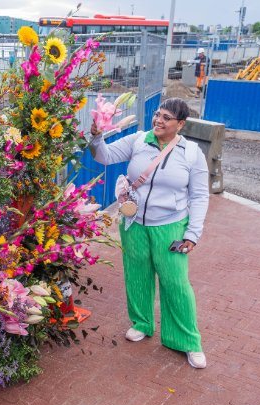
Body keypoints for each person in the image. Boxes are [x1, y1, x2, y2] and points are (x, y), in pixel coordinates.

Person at [89, 98, 210, 368]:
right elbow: (104, 157)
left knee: (176, 283)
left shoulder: (191, 153)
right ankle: (142, 322)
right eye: (157, 114)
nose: (158, 120)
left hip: (171, 225)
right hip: (134, 224)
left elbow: (200, 196)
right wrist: (96, 138)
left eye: (166, 117)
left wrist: (192, 234)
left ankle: (188, 340)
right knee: (137, 274)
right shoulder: (139, 140)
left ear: (180, 124)